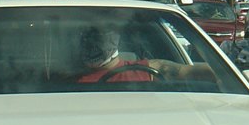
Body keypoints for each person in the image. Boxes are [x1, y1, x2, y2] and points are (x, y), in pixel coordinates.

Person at [74, 26, 214, 84]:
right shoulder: (63, 78)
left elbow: (193, 72)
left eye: (99, 36)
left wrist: (230, 73)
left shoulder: (148, 71)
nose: (91, 42)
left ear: (114, 38)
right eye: (87, 36)